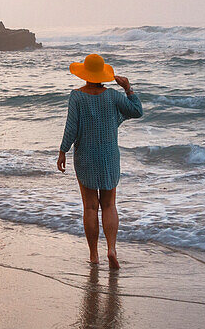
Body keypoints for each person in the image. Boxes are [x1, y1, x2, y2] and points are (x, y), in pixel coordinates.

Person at [57, 53, 143, 269]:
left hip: (85, 156)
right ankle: (112, 249)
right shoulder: (113, 96)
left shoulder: (76, 97)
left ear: (85, 74)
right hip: (109, 156)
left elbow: (71, 128)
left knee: (90, 207)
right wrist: (128, 88)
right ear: (103, 75)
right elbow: (137, 111)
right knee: (109, 204)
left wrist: (62, 151)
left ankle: (94, 255)